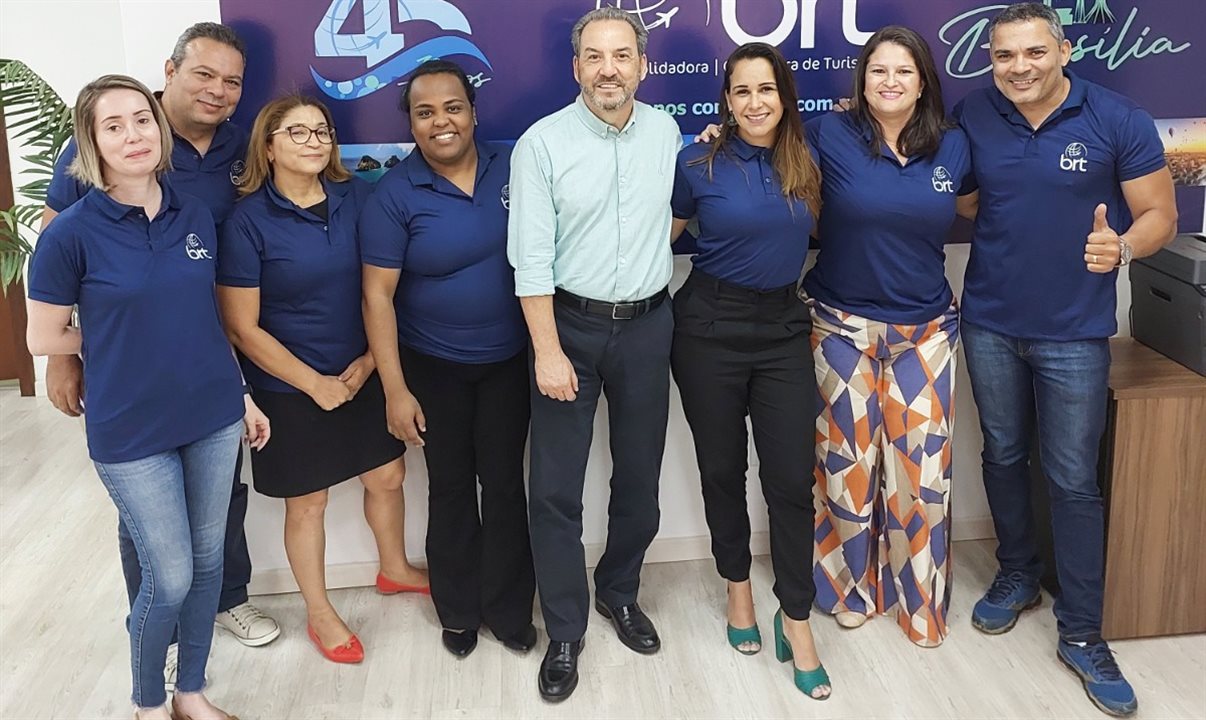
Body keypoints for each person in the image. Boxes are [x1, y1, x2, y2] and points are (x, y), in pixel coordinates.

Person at [955, 3, 1177, 716]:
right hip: (987, 321)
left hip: (1075, 333)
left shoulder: (1117, 118)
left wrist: (1126, 248)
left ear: (1063, 49)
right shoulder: (974, 112)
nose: (1018, 67)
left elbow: (1160, 215)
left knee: (1074, 479)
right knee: (1001, 453)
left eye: (1033, 52)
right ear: (990, 60)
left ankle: (1082, 632)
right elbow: (963, 198)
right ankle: (1017, 573)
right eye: (1004, 56)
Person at [40, 23, 280, 680]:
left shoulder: (240, 145)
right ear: (169, 72)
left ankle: (224, 599)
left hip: (211, 345)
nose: (219, 91)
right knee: (146, 516)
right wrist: (66, 357)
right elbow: (57, 241)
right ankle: (154, 622)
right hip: (130, 361)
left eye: (232, 81)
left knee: (221, 494)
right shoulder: (118, 135)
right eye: (204, 74)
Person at [506, 6, 681, 702]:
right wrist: (547, 350)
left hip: (647, 326)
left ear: (642, 65)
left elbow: (679, 209)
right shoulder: (541, 144)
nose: (609, 69)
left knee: (639, 479)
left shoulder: (667, 133)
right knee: (554, 491)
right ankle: (566, 629)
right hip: (567, 331)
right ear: (576, 66)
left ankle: (620, 592)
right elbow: (531, 261)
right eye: (595, 57)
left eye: (622, 56)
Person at [216, 94, 429, 665]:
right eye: (297, 132)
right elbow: (241, 328)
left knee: (387, 474)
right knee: (307, 503)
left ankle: (394, 568)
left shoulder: (359, 198)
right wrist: (315, 384)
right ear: (268, 145)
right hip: (289, 386)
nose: (314, 141)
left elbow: (382, 288)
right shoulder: (247, 222)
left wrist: (369, 364)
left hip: (362, 369)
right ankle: (319, 612)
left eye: (322, 131)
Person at [359, 59, 537, 659]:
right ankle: (458, 611)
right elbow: (377, 296)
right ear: (410, 123)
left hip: (511, 360)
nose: (441, 121)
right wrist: (395, 390)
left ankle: (510, 609)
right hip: (434, 367)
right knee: (453, 489)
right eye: (425, 111)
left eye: (452, 107)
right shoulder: (394, 194)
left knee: (508, 485)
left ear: (473, 111)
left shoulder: (512, 166)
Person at [804, 26, 973, 648]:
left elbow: (982, 205)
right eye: (878, 71)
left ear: (923, 79)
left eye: (904, 71)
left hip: (924, 333)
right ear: (862, 79)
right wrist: (718, 136)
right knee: (846, 469)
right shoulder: (829, 133)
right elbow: (769, 157)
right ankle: (848, 591)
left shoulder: (954, 144)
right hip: (840, 328)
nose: (891, 81)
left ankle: (920, 605)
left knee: (923, 478)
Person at [670, 42, 830, 699]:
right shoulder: (697, 161)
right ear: (726, 102)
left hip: (784, 329)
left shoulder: (809, 161)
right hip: (707, 328)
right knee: (721, 469)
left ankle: (797, 618)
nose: (755, 102)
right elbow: (663, 237)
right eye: (742, 91)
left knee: (792, 479)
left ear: (785, 98)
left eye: (767, 90)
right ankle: (737, 589)